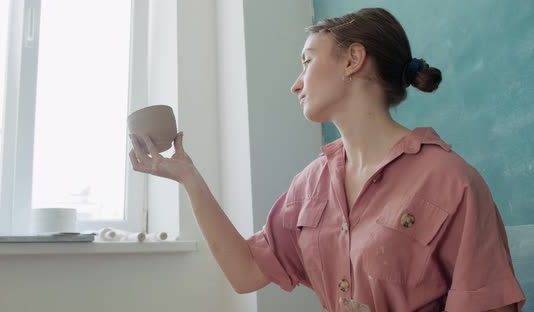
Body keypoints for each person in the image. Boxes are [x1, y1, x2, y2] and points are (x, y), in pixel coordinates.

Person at [128, 7, 526, 312]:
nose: (295, 83)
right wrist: (189, 178)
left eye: (307, 60)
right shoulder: (311, 184)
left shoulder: (450, 182)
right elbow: (246, 271)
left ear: (353, 59)